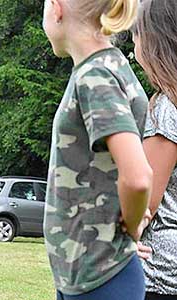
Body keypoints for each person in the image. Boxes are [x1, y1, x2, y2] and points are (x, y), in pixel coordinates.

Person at [42, 0, 153, 299]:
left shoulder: (96, 76)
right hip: (87, 275)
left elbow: (138, 176)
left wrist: (131, 226)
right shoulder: (104, 68)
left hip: (101, 277)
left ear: (56, 8)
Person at [131, 1, 177, 299]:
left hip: (158, 274)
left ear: (152, 41)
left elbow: (145, 199)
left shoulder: (166, 107)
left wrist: (122, 236)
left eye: (135, 35)